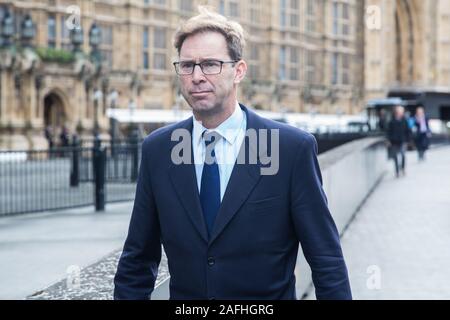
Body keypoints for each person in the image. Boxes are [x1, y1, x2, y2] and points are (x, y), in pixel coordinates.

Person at [114, 7, 351, 300]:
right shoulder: (158, 150)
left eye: (211, 64)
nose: (197, 76)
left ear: (239, 71)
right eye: (187, 66)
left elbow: (326, 259)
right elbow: (137, 260)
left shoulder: (290, 149)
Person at [387, 106, 412, 178]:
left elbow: (408, 131)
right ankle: (397, 171)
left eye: (402, 111)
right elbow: (388, 131)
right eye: (400, 111)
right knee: (395, 157)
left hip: (403, 141)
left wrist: (408, 140)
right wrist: (388, 140)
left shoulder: (404, 120)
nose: (402, 113)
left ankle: (403, 168)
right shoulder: (392, 121)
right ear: (396, 112)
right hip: (394, 141)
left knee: (403, 155)